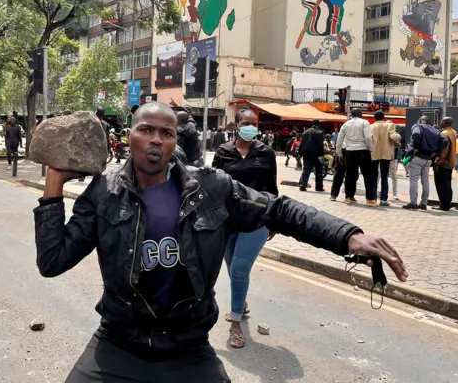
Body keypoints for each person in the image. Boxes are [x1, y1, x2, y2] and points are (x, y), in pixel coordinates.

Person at [34, 102, 407, 382]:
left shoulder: (212, 188)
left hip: (188, 348)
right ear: (129, 136)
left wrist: (348, 236)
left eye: (166, 133)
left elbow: (281, 210)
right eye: (146, 129)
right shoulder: (103, 194)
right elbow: (52, 261)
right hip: (118, 344)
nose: (156, 140)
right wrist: (53, 185)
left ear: (174, 142)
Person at [212, 108, 278, 349]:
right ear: (236, 125)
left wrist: (274, 219)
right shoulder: (223, 152)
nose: (250, 126)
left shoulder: (266, 153)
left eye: (254, 123)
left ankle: (236, 324)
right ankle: (243, 301)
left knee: (240, 269)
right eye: (246, 123)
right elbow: (215, 184)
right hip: (229, 219)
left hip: (257, 218)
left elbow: (272, 188)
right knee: (232, 267)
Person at [403, 115, 446, 210]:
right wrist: (436, 152)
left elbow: (416, 134)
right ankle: (424, 203)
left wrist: (415, 147)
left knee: (413, 180)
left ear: (420, 120)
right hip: (428, 158)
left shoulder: (417, 126)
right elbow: (445, 140)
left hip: (418, 157)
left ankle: (413, 203)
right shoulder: (435, 130)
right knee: (425, 180)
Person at [336, 109, 376, 205]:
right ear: (360, 114)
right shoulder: (364, 122)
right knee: (367, 175)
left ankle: (348, 197)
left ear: (351, 115)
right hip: (363, 151)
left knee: (350, 175)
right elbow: (368, 137)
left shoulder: (346, 124)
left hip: (349, 151)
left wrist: (339, 154)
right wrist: (370, 149)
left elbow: (339, 140)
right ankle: (369, 199)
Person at [370, 111, 401, 207]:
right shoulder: (389, 125)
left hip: (374, 153)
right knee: (384, 176)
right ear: (383, 117)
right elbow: (394, 136)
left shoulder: (371, 126)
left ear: (374, 118)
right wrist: (399, 137)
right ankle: (383, 199)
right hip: (386, 154)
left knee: (374, 176)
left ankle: (373, 198)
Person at [433, 117, 457, 211]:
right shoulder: (453, 132)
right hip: (451, 162)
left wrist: (438, 162)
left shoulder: (444, 133)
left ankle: (443, 205)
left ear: (446, 123)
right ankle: (447, 203)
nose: (440, 122)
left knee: (441, 184)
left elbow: (444, 150)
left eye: (442, 121)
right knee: (447, 184)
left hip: (444, 163)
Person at [299, 119, 325, 192]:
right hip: (316, 154)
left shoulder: (305, 132)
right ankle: (318, 187)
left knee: (306, 169)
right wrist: (321, 154)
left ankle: (302, 185)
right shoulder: (320, 132)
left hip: (306, 154)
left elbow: (302, 144)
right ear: (318, 125)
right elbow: (320, 145)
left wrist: (300, 153)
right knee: (318, 170)